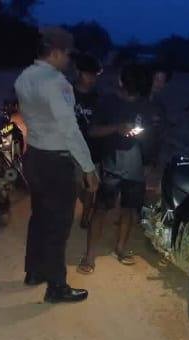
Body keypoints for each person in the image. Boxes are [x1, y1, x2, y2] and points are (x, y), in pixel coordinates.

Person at [14, 26, 99, 303]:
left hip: (35, 156)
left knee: (39, 217)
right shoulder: (56, 82)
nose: (69, 60)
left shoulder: (25, 77)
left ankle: (34, 271)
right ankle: (56, 287)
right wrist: (88, 167)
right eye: (67, 54)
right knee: (58, 225)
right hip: (56, 162)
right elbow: (69, 128)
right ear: (56, 52)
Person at [77, 64, 155, 274]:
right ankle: (89, 256)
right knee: (101, 209)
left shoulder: (146, 106)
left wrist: (150, 162)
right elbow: (92, 131)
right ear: (122, 82)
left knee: (129, 209)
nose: (132, 94)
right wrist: (117, 128)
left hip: (136, 167)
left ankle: (120, 249)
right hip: (111, 164)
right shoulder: (108, 102)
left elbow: (153, 135)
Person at [72, 53, 104, 229]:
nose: (91, 78)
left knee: (91, 186)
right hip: (71, 148)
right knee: (76, 186)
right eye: (88, 74)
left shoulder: (98, 97)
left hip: (93, 149)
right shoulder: (67, 93)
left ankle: (85, 217)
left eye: (94, 75)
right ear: (78, 72)